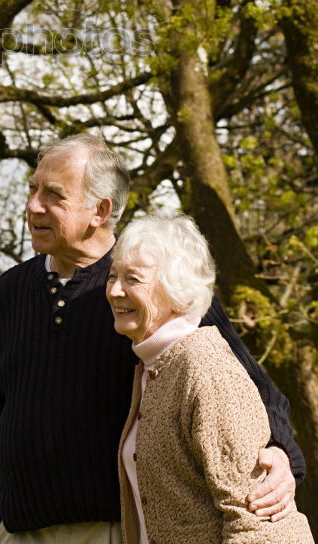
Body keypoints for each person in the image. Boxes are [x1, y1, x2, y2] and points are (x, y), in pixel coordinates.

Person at [0, 133, 305, 544]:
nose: (33, 206)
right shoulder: (9, 292)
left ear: (100, 210)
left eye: (53, 195)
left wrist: (279, 452)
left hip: (114, 530)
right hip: (18, 533)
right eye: (32, 189)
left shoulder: (154, 287)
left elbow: (241, 382)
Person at [106, 212, 313, 544]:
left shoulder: (203, 364)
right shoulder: (154, 366)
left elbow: (257, 521)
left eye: (132, 279)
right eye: (113, 276)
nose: (115, 290)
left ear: (176, 288)